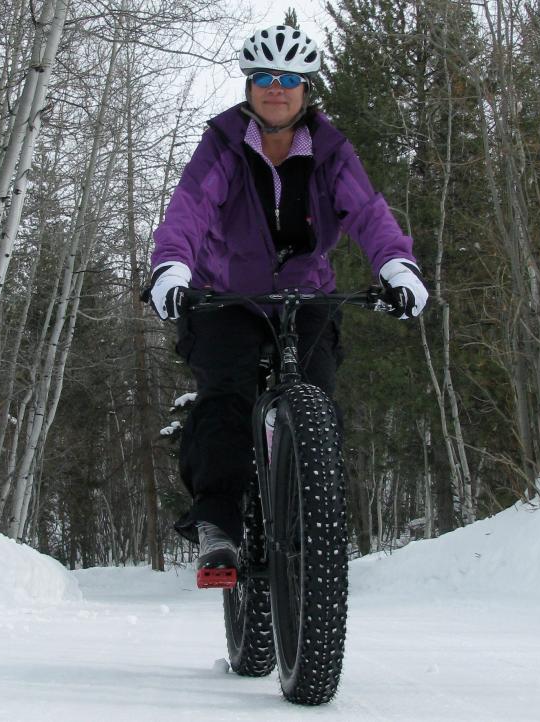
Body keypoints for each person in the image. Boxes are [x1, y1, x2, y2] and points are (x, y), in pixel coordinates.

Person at [147, 25, 428, 579]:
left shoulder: (330, 151)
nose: (277, 89)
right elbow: (189, 210)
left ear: (306, 89)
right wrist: (171, 268)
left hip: (306, 294)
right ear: (250, 86)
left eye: (289, 80)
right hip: (226, 295)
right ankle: (219, 526)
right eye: (265, 79)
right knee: (226, 393)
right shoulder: (223, 145)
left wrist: (398, 266)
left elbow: (369, 214)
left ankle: (310, 514)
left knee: (316, 394)